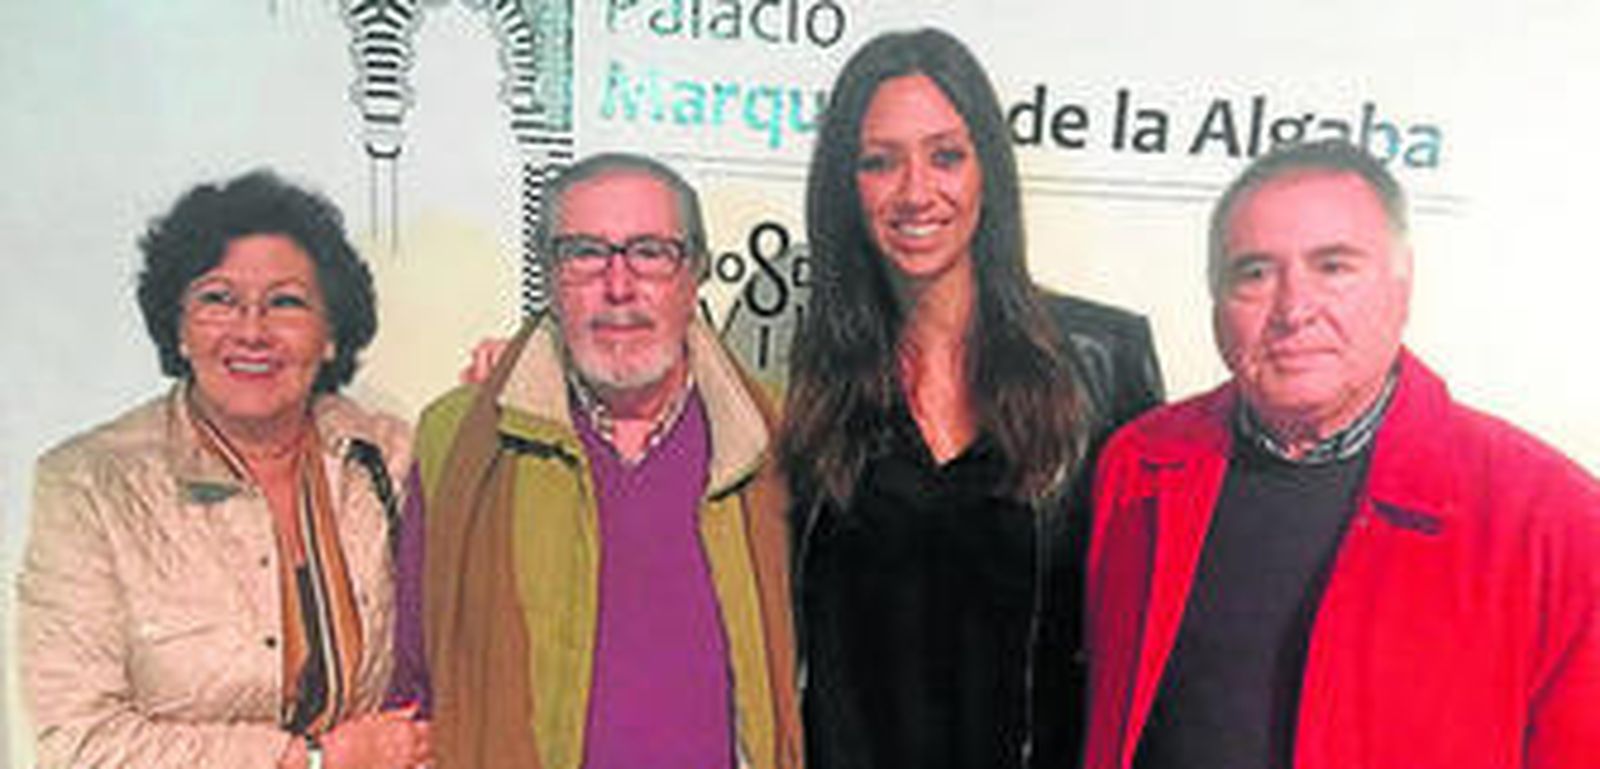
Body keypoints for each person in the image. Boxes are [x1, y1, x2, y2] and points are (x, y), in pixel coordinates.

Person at [1083, 139, 1600, 769]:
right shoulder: (1141, 465)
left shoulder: (1555, 521)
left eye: (1333, 267)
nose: (1294, 310)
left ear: (1402, 288)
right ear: (1216, 302)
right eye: (1255, 273)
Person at [780, 28, 1163, 769]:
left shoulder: (1105, 362)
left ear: (988, 167)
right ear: (845, 186)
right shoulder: (818, 380)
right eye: (879, 161)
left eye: (946, 155)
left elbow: (1148, 634)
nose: (915, 191)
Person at [387, 153, 803, 769]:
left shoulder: (780, 445)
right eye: (584, 253)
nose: (619, 286)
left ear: (694, 274)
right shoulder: (459, 439)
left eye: (651, 253)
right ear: (550, 277)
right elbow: (414, 688)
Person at [18, 170, 430, 769]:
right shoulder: (88, 485)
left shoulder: (393, 458)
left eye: (286, 302)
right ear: (179, 328)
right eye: (218, 299)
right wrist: (312, 761)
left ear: (330, 335)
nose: (252, 330)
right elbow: (80, 744)